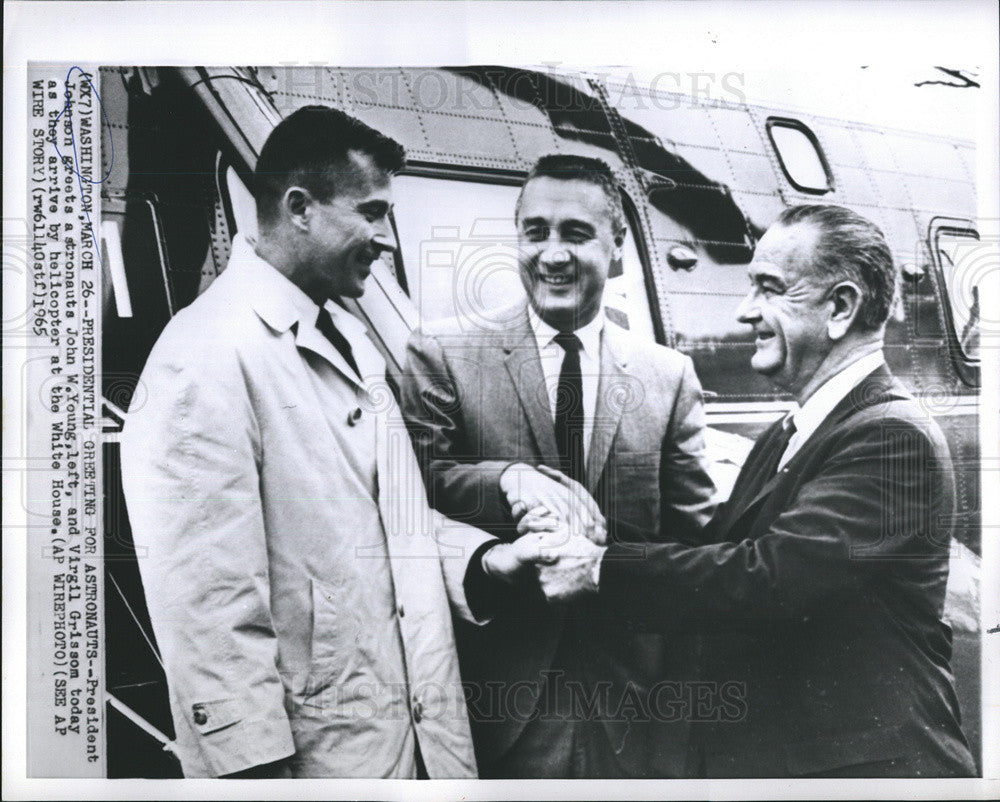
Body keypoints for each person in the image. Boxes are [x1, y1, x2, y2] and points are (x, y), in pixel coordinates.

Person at [531, 204, 977, 777]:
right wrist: (589, 533)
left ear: (840, 307)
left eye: (770, 289)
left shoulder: (891, 438)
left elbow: (768, 580)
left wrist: (598, 569)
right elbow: (719, 547)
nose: (746, 312)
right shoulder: (797, 428)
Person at [120, 106, 498, 779]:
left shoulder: (343, 340)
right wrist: (256, 780)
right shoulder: (205, 355)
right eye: (372, 213)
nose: (386, 240)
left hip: (403, 754)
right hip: (317, 771)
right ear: (300, 208)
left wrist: (489, 561)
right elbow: (209, 610)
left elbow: (385, 527)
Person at [400, 154, 717, 777]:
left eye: (575, 233)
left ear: (616, 245)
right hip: (500, 709)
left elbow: (695, 541)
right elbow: (418, 487)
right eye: (535, 231)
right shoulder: (442, 354)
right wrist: (504, 481)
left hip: (636, 710)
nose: (552, 254)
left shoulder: (668, 376)